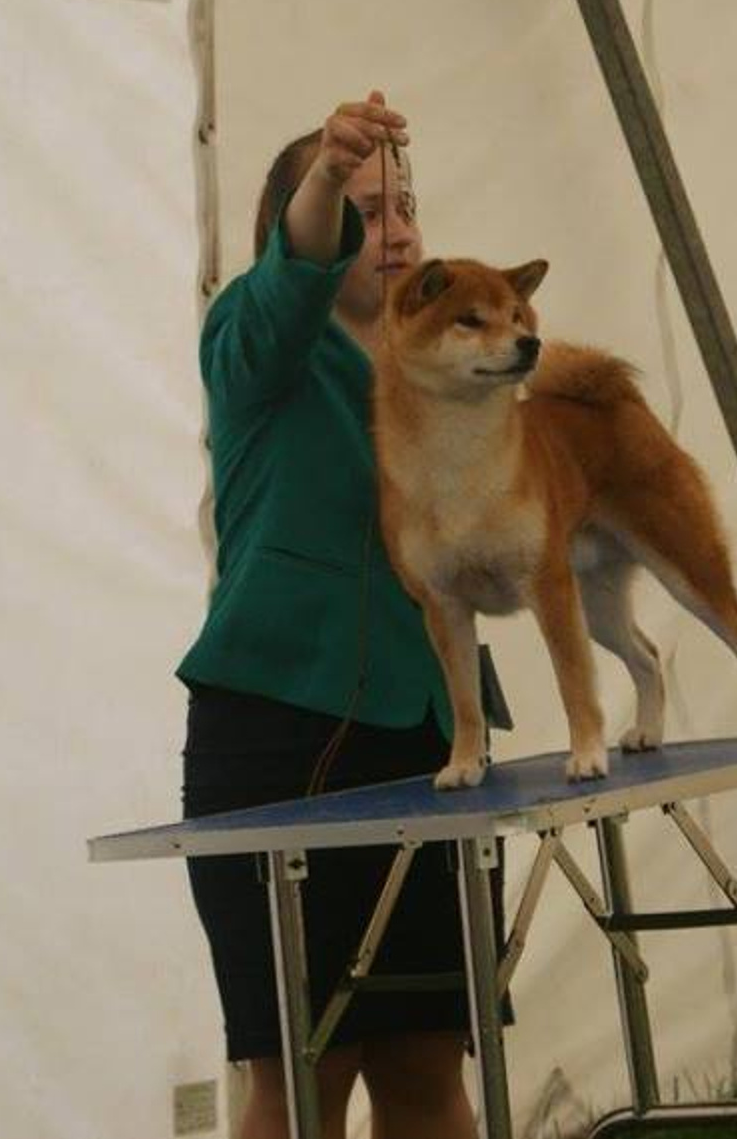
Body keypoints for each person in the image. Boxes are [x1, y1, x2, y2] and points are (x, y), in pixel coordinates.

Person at [177, 91, 506, 1139]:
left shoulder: (449, 374)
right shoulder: (257, 334)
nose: (396, 229)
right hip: (278, 736)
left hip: (426, 731)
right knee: (306, 1080)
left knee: (425, 1063)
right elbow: (291, 275)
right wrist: (328, 170)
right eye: (364, 209)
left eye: (403, 207)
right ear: (306, 227)